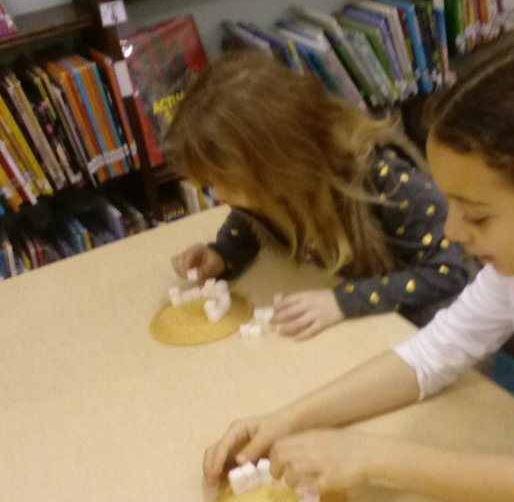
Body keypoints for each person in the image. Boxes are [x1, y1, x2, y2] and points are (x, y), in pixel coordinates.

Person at [202, 29, 514, 502]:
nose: (451, 230)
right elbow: (433, 354)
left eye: (477, 216)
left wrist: (370, 456)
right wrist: (286, 419)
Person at [168, 49, 467, 340]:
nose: (219, 196)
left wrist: (344, 301)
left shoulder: (384, 180)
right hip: (357, 331)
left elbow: (450, 270)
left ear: (282, 163)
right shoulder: (279, 187)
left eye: (230, 185)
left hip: (424, 334)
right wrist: (223, 253)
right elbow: (250, 219)